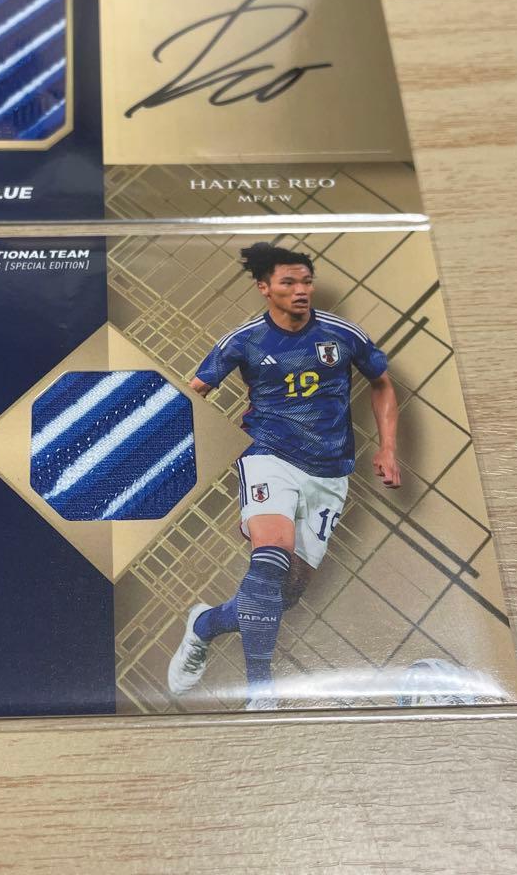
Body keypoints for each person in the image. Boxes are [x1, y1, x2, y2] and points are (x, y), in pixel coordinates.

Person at [168, 242, 401, 710]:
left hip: (331, 473)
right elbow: (193, 392)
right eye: (288, 282)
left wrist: (388, 448)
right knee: (270, 557)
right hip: (267, 456)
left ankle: (203, 626)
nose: (301, 290)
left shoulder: (342, 334)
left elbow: (382, 383)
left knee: (283, 597)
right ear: (264, 288)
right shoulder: (244, 340)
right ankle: (262, 693)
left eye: (306, 281)